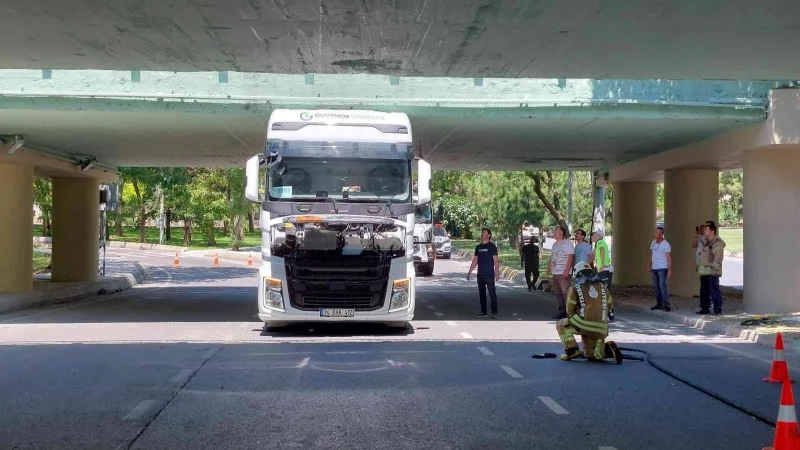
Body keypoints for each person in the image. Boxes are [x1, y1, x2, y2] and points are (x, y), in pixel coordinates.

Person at [555, 263, 622, 364]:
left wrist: (581, 319)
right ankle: (607, 349)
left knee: (561, 324)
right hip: (602, 328)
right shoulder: (603, 287)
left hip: (584, 325)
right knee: (592, 355)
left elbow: (570, 310)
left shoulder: (575, 288)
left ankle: (571, 350)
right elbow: (610, 305)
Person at [467, 228, 501, 319]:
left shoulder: (492, 247)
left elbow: (496, 261)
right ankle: (483, 311)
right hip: (480, 274)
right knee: (482, 294)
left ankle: (494, 311)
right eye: (482, 232)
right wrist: (469, 272)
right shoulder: (478, 247)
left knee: (492, 293)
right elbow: (475, 260)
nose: (482, 234)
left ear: (489, 235)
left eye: (484, 232)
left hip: (489, 274)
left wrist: (497, 273)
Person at [697, 220, 726, 315]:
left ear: (712, 231)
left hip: (712, 270)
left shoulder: (717, 243)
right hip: (704, 270)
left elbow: (718, 258)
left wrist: (713, 267)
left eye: (706, 229)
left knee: (714, 290)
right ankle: (705, 308)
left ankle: (717, 309)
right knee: (704, 290)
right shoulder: (704, 240)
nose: (704, 231)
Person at [548, 226, 574, 319]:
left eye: (556, 231)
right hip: (555, 272)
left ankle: (569, 313)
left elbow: (571, 256)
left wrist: (567, 270)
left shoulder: (567, 243)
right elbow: (552, 258)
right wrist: (549, 270)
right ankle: (561, 311)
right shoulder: (555, 244)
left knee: (566, 293)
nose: (554, 232)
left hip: (563, 273)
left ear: (562, 233)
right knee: (557, 293)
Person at [591, 231, 614, 321]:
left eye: (593, 236)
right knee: (603, 292)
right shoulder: (598, 243)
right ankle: (607, 313)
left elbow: (602, 252)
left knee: (605, 292)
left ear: (598, 236)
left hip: (605, 270)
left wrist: (602, 265)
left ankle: (609, 313)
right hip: (603, 270)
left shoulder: (600, 242)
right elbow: (594, 256)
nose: (592, 237)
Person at [649, 225, 672, 311]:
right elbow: (652, 255)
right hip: (654, 268)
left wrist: (669, 270)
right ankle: (659, 303)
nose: (657, 235)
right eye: (656, 233)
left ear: (662, 234)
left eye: (659, 233)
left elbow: (669, 257)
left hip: (662, 268)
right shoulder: (653, 242)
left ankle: (666, 304)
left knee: (662, 285)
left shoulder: (666, 244)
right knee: (656, 287)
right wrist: (649, 265)